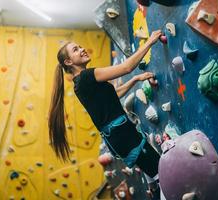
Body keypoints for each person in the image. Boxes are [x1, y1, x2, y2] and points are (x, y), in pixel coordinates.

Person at [48, 30, 163, 195]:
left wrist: (135, 80)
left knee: (154, 170)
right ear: (68, 61)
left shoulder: (79, 83)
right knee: (161, 171)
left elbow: (113, 95)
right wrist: (150, 42)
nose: (82, 49)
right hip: (123, 135)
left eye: (80, 46)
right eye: (75, 50)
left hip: (118, 137)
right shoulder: (87, 76)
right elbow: (127, 67)